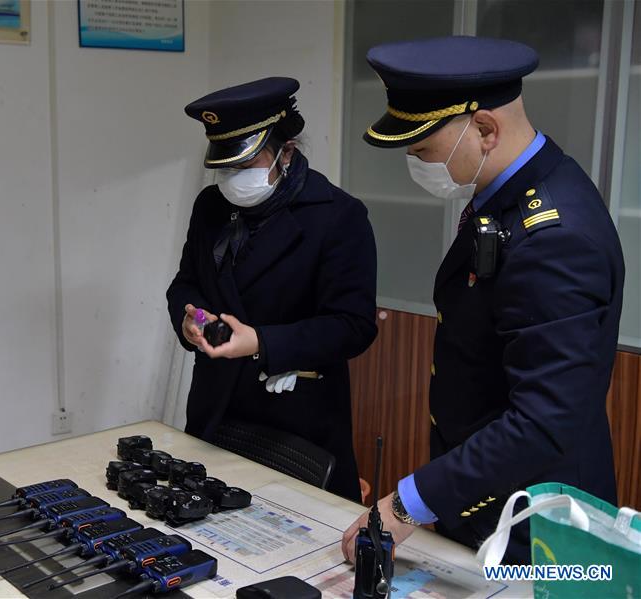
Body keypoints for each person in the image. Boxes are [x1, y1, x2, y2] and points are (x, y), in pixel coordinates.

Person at [341, 37, 624, 564]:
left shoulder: (555, 236)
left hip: (539, 529)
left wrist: (406, 505)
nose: (417, 162)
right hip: (487, 501)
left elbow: (544, 418)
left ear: (487, 130)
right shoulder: (504, 196)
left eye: (424, 150)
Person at [166, 77, 378, 500]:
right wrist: (190, 321)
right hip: (216, 409)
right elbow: (186, 283)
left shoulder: (337, 216)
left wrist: (266, 342)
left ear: (287, 152)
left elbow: (353, 325)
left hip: (295, 422)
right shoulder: (210, 207)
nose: (231, 179)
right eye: (224, 167)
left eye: (244, 167)